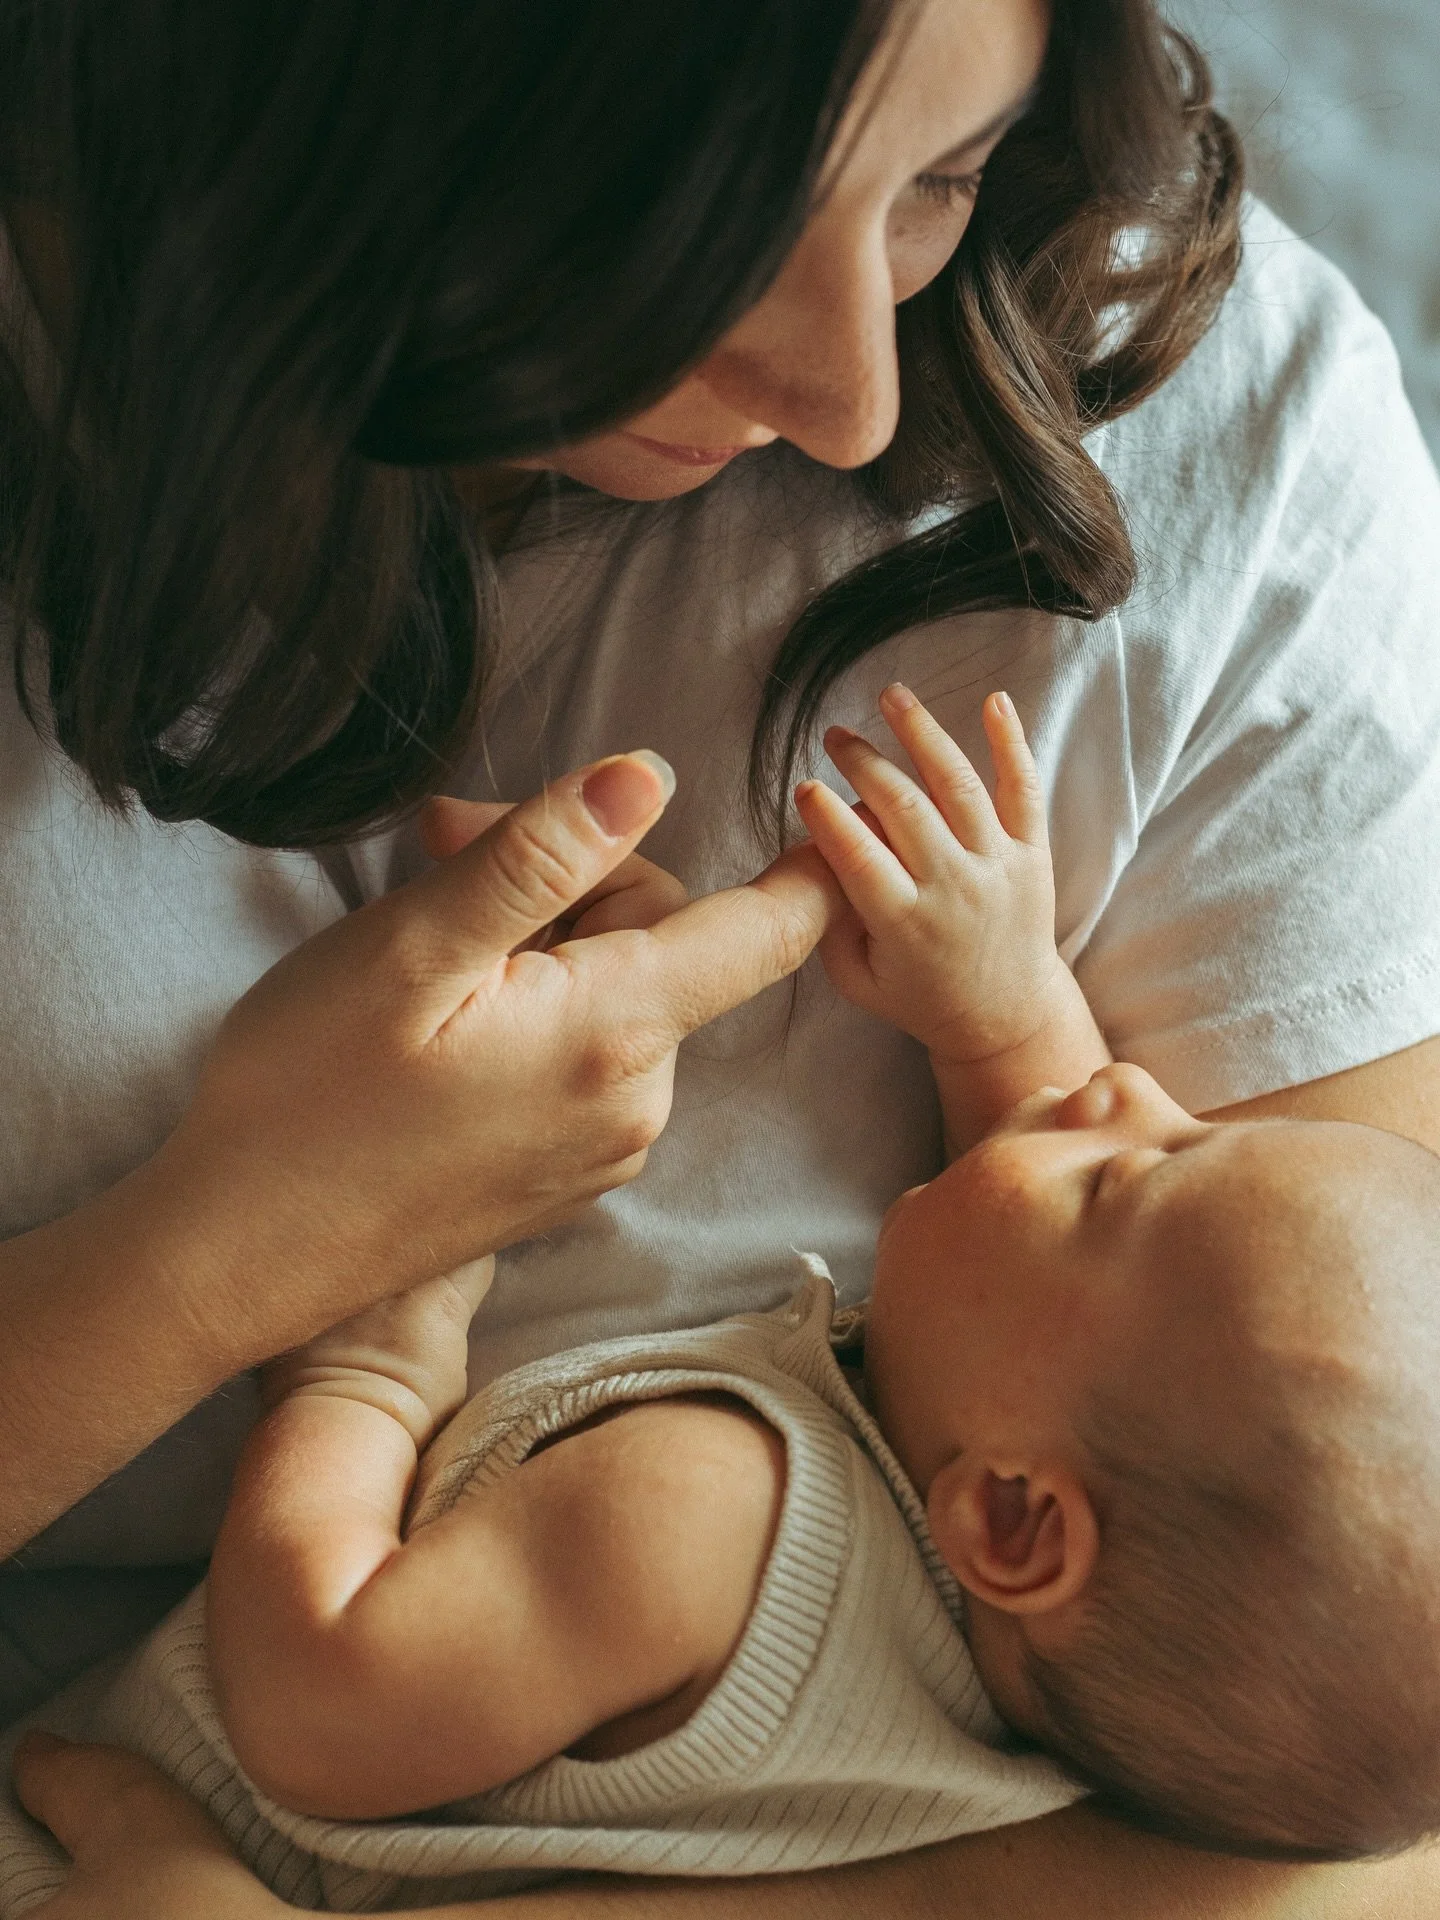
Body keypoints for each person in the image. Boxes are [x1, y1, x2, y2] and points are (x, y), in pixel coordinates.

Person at [3, 0, 1440, 1916]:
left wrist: (373, 1320)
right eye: (693, 238)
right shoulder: (1025, 1546)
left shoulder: (717, 1513)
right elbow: (1092, 1280)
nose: (853, 395)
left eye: (941, 179)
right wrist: (219, 1246)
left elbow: (1364, 1796)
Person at [7, 694, 1433, 1913]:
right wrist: (999, 1009)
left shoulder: (703, 1519)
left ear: (1010, 1521)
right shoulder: (1065, 1678)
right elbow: (1049, 1300)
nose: (1123, 1089)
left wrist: (365, 1367)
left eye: (1131, 1179)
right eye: (1194, 1124)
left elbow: (320, 1694)